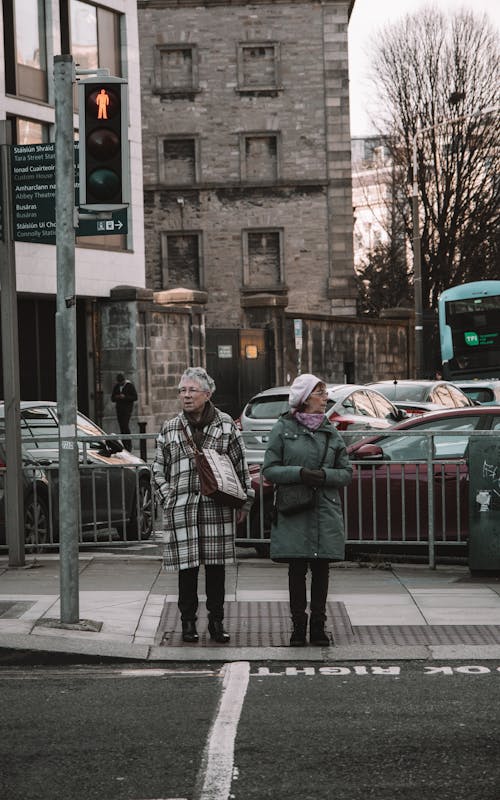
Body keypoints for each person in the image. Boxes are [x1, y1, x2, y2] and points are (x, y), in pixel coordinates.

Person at [152, 367, 254, 643]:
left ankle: (216, 623)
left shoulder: (225, 425)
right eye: (182, 390)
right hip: (182, 509)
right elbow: (157, 468)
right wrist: (168, 496)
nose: (185, 395)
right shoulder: (171, 427)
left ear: (207, 394)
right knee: (186, 572)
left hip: (215, 509)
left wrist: (244, 501)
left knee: (216, 571)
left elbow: (240, 463)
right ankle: (187, 623)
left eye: (191, 390)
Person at [263, 373, 352, 647]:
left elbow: (346, 472)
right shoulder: (283, 429)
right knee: (297, 570)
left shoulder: (331, 430)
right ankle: (298, 626)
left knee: (322, 570)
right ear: (304, 399)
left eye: (325, 393)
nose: (325, 398)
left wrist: (325, 476)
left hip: (324, 509)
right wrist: (300, 473)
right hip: (295, 509)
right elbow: (269, 469)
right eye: (320, 393)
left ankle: (318, 626)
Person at [111, 372, 138, 451]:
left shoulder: (130, 386)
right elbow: (112, 398)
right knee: (122, 427)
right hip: (119, 409)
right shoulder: (117, 386)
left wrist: (125, 397)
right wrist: (117, 397)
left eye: (121, 382)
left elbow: (135, 397)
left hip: (127, 409)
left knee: (125, 426)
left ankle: (128, 446)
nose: (120, 384)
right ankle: (124, 445)